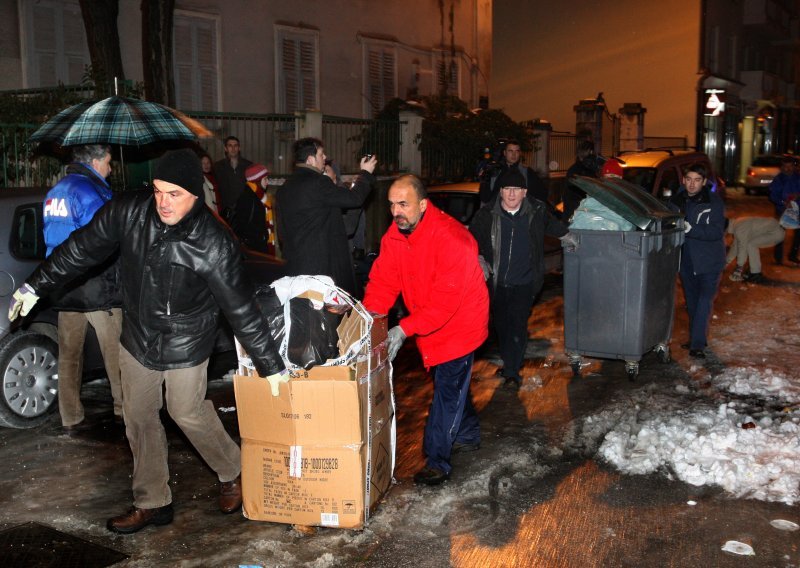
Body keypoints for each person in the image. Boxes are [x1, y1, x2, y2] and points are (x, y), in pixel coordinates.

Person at [8, 149, 286, 535]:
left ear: (194, 194)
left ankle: (233, 470)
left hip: (188, 337)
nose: (163, 202)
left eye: (174, 194)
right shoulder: (129, 211)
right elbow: (82, 248)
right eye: (158, 191)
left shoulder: (214, 242)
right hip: (138, 334)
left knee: (185, 410)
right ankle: (152, 501)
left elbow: (241, 309)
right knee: (138, 417)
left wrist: (270, 366)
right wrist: (36, 284)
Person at [363, 174, 489, 486]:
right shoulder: (395, 235)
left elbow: (445, 303)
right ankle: (469, 433)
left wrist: (404, 329)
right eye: (392, 204)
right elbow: (384, 280)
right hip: (430, 322)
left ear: (422, 204)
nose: (396, 211)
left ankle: (437, 461)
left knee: (447, 391)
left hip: (460, 324)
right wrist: (368, 317)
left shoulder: (451, 239)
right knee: (454, 386)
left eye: (403, 204)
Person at [42, 143, 123, 434]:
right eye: (109, 162)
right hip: (97, 287)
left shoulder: (54, 192)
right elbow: (104, 239)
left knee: (69, 357)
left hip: (64, 287)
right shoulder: (91, 193)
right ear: (95, 161)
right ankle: (123, 412)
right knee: (116, 354)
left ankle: (70, 416)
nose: (111, 169)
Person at [469, 169, 572, 388]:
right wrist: (477, 257)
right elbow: (470, 240)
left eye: (517, 189)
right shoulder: (486, 215)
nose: (512, 194)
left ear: (524, 192)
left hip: (525, 283)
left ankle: (513, 372)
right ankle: (510, 363)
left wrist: (572, 236)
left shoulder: (536, 211)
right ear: (501, 192)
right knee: (502, 327)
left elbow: (555, 226)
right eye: (507, 189)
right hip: (496, 285)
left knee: (517, 326)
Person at [276, 137, 376, 297]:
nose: (325, 157)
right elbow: (354, 199)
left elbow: (282, 231)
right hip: (322, 271)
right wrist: (365, 174)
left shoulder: (284, 189)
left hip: (295, 267)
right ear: (310, 159)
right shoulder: (318, 182)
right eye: (321, 154)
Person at [669, 163, 726, 359]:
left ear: (704, 182)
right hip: (686, 261)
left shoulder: (713, 202)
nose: (692, 184)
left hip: (709, 261)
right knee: (692, 303)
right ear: (683, 180)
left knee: (703, 301)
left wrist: (692, 229)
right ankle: (696, 337)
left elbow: (717, 231)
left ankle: (697, 344)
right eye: (689, 179)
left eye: (697, 180)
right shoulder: (677, 200)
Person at [479, 139, 550, 206]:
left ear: (520, 153)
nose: (514, 154)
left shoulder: (527, 172)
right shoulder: (495, 171)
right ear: (504, 153)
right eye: (510, 151)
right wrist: (484, 181)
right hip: (495, 215)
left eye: (517, 151)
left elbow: (542, 195)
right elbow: (485, 198)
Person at [726, 217, 785, 284]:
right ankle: (754, 271)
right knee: (750, 243)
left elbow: (742, 247)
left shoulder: (739, 229)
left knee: (751, 245)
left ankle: (756, 274)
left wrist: (739, 268)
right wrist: (726, 261)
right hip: (773, 229)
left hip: (775, 234)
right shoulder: (736, 224)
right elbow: (735, 246)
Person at [229, 163, 272, 253]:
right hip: (253, 248)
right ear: (257, 180)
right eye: (265, 179)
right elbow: (242, 225)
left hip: (259, 244)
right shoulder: (248, 198)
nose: (267, 182)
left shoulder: (258, 195)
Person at [768, 156, 800, 264]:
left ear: (794, 166)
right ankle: (778, 258)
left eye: (790, 166)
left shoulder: (798, 177)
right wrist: (783, 202)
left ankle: (793, 255)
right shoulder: (779, 179)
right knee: (780, 233)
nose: (788, 169)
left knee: (798, 233)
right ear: (782, 167)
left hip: (797, 208)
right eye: (786, 167)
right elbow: (773, 195)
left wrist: (798, 196)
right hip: (782, 209)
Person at [213, 135, 252, 219]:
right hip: (225, 210)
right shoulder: (218, 167)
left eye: (235, 146)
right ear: (225, 148)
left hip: (245, 208)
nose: (233, 148)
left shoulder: (248, 165)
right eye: (230, 146)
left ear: (239, 148)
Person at [562, 140, 599, 221]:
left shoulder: (575, 169)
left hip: (576, 212)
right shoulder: (583, 171)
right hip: (579, 213)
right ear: (590, 151)